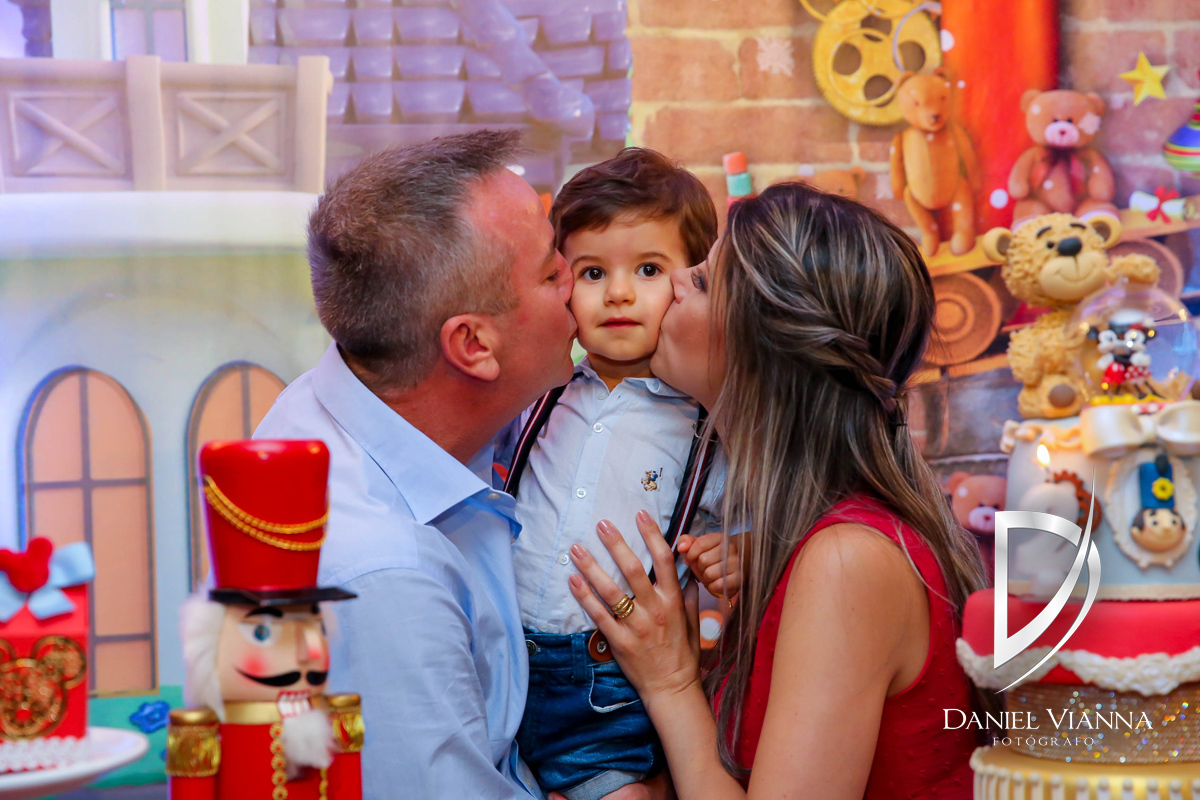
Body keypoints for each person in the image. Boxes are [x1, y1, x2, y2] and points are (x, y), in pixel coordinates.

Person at [254, 130, 660, 800]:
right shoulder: (384, 578)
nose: (578, 285)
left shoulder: (381, 396)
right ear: (473, 345)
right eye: (552, 274)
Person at [564, 182, 991, 799]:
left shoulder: (848, 560)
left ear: (762, 347)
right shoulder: (790, 540)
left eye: (702, 281)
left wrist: (669, 681)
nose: (675, 280)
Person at [507, 148, 741, 800]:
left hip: (610, 691)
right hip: (502, 668)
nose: (617, 293)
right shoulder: (538, 397)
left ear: (690, 282)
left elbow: (755, 522)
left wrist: (738, 551)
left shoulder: (703, 427)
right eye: (591, 272)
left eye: (648, 270)